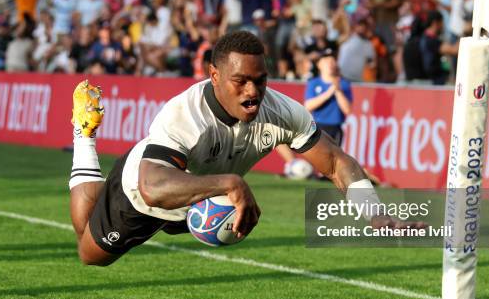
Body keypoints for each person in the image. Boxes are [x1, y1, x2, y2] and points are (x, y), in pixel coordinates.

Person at [67, 31, 424, 266]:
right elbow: (153, 186)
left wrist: (374, 213)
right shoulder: (183, 115)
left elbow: (334, 162)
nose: (252, 92)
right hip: (144, 195)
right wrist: (230, 184)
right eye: (240, 81)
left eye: (260, 80)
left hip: (204, 200)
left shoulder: (283, 111)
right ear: (215, 76)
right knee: (90, 253)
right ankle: (84, 135)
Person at [304, 48, 352, 147]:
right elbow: (308, 105)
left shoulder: (343, 84)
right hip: (317, 126)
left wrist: (338, 90)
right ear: (319, 64)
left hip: (335, 128)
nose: (330, 64)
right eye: (326, 61)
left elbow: (347, 110)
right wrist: (329, 93)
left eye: (332, 60)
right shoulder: (314, 83)